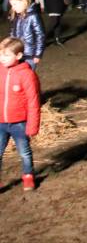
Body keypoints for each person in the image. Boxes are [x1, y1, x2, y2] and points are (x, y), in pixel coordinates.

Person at [0, 37, 41, 192]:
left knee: (24, 152)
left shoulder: (27, 75)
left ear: (18, 55)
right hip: (0, 122)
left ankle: (28, 176)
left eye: (6, 55)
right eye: (0, 54)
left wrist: (32, 126)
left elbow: (33, 101)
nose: (2, 58)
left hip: (19, 123)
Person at [8, 0, 45, 71]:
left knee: (27, 73)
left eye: (15, 4)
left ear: (24, 2)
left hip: (30, 55)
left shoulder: (33, 16)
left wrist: (38, 54)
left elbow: (40, 35)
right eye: (12, 5)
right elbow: (13, 32)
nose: (13, 8)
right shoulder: (17, 16)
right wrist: (10, 46)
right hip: (18, 52)